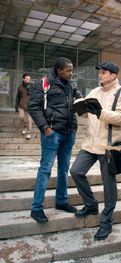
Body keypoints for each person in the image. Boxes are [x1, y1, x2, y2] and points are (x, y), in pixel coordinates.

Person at [70, 61, 121, 241]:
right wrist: (78, 107)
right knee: (76, 171)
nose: (100, 75)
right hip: (90, 142)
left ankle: (106, 222)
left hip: (109, 145)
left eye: (104, 72)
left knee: (108, 184)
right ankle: (90, 205)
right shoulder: (94, 92)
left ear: (113, 75)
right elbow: (85, 113)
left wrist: (100, 112)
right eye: (100, 72)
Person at [28, 57, 82, 223]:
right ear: (59, 70)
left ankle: (61, 201)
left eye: (72, 71)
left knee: (64, 169)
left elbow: (78, 101)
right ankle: (36, 208)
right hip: (52, 133)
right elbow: (33, 107)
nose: (71, 74)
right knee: (45, 169)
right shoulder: (42, 84)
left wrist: (84, 103)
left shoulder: (71, 84)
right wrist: (45, 128)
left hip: (69, 133)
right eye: (68, 71)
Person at [15, 73, 33, 139]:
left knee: (29, 120)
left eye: (29, 78)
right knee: (21, 117)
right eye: (27, 78)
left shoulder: (32, 86)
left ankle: (29, 133)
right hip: (21, 106)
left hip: (30, 106)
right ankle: (25, 127)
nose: (29, 80)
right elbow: (17, 97)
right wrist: (16, 106)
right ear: (23, 79)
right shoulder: (20, 87)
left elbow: (36, 96)